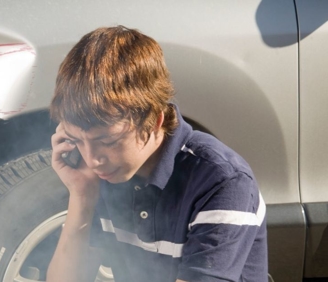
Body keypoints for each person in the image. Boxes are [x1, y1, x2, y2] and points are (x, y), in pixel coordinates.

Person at [46, 26, 267, 282]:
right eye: (77, 141)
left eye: (107, 141)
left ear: (154, 120)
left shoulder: (222, 181)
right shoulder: (101, 177)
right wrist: (82, 197)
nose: (92, 159)